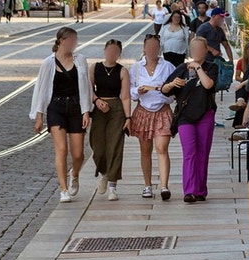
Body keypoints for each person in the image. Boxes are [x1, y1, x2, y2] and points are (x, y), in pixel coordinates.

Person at [29, 27, 92, 202]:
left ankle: (75, 173)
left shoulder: (80, 60)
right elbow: (42, 89)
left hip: (76, 107)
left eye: (75, 40)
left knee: (78, 154)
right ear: (62, 41)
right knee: (61, 149)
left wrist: (86, 111)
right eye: (71, 40)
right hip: (56, 107)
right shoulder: (48, 63)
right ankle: (63, 189)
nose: (74, 43)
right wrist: (39, 116)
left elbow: (86, 87)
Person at [162, 35, 221, 203]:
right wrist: (173, 84)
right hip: (185, 116)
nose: (196, 52)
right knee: (189, 153)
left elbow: (208, 85)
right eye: (194, 49)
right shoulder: (182, 68)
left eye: (200, 49)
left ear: (205, 50)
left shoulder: (211, 67)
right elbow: (164, 89)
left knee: (202, 153)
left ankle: (200, 190)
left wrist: (198, 68)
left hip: (205, 114)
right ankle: (189, 191)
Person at [129, 33, 177, 200]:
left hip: (162, 110)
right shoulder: (136, 68)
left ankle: (164, 186)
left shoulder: (168, 66)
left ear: (159, 48)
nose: (152, 50)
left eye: (155, 47)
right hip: (143, 111)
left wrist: (163, 91)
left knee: (162, 148)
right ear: (144, 48)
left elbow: (174, 93)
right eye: (149, 47)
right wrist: (138, 91)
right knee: (145, 150)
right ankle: (147, 185)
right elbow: (130, 91)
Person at [88, 38, 132, 200]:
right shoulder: (95, 67)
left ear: (119, 54)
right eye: (110, 50)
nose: (112, 53)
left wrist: (128, 117)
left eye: (116, 51)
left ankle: (113, 186)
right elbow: (88, 89)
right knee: (98, 147)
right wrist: (96, 100)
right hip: (99, 108)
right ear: (105, 51)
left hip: (116, 109)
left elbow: (125, 96)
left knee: (115, 146)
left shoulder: (122, 71)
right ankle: (105, 173)